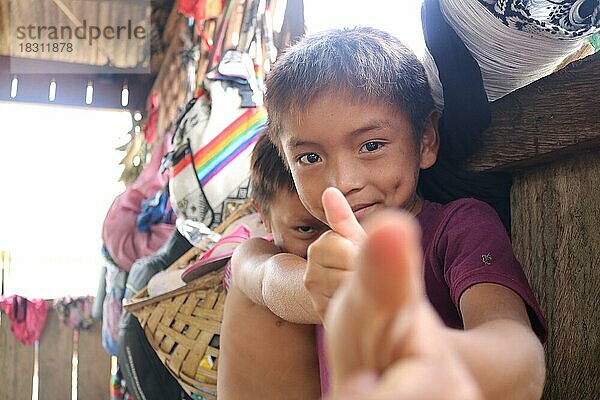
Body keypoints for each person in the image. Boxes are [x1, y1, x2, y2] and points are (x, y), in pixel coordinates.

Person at [260, 27, 547, 399]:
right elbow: (256, 274)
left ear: (426, 140)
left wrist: (431, 354)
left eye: (371, 145)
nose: (343, 182)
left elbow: (519, 357)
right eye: (310, 158)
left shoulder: (459, 228)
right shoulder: (316, 254)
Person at [217, 134, 329, 399]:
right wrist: (346, 294)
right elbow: (272, 280)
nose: (328, 243)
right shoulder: (252, 257)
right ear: (263, 215)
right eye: (305, 229)